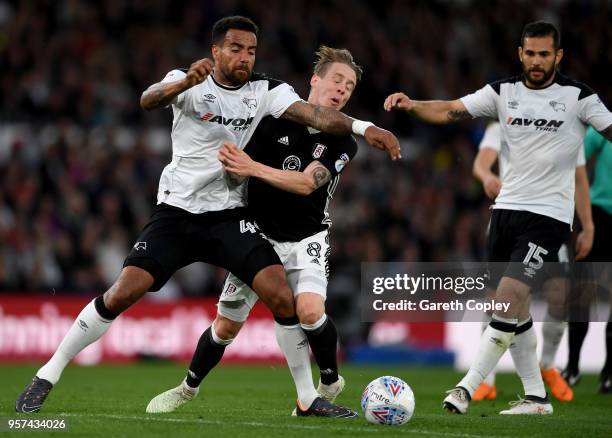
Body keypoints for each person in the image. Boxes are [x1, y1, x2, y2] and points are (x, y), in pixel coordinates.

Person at [15, 16, 400, 414]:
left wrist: (363, 127)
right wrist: (182, 84)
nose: (244, 58)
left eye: (251, 51)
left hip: (229, 216)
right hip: (177, 213)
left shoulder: (265, 91)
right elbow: (148, 99)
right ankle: (47, 373)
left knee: (281, 296)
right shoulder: (187, 81)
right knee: (122, 292)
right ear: (216, 51)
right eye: (235, 49)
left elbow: (318, 117)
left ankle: (307, 398)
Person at [384, 21, 612, 415]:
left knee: (508, 300)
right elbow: (453, 109)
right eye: (531, 53)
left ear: (558, 56)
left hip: (548, 217)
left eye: (545, 54)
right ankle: (537, 397)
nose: (537, 61)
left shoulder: (580, 97)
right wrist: (414, 104)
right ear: (520, 53)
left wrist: (586, 223)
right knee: (509, 308)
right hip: (505, 212)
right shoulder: (502, 92)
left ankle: (466, 387)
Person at [145, 45, 363, 418]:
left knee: (309, 311)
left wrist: (252, 168)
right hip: (258, 235)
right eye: (337, 80)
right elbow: (235, 166)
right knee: (226, 327)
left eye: (350, 86)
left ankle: (325, 384)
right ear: (315, 80)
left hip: (307, 238)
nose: (342, 89)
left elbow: (306, 184)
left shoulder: (343, 139)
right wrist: (233, 168)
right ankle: (187, 388)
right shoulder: (272, 117)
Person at [471, 121, 594, 402]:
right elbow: (481, 163)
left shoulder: (568, 131)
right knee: (498, 301)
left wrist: (588, 225)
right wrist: (486, 177)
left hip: (548, 223)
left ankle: (546, 365)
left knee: (561, 296)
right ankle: (485, 380)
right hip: (510, 221)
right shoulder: (502, 125)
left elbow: (579, 178)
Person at [562, 127, 612, 394]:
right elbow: (575, 157)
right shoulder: (606, 125)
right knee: (581, 295)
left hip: (598, 216)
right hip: (598, 218)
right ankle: (572, 367)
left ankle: (609, 374)